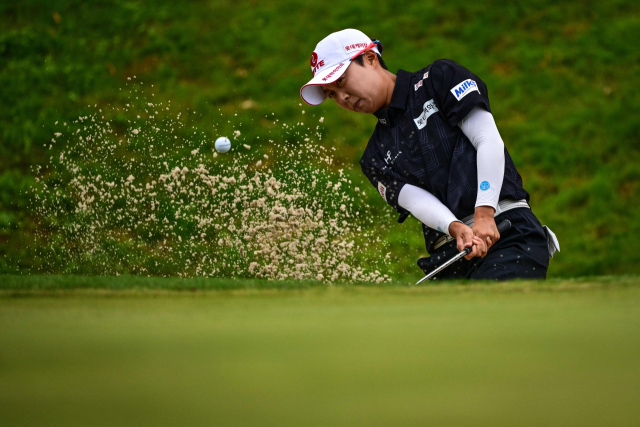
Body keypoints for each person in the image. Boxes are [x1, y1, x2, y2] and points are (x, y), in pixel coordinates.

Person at [300, 29, 559, 280]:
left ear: (370, 58)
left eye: (341, 81)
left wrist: (483, 214)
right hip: (452, 252)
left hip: (505, 230)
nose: (342, 97)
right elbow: (415, 201)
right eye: (332, 94)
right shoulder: (373, 157)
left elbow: (487, 139)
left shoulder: (438, 78)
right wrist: (456, 228)